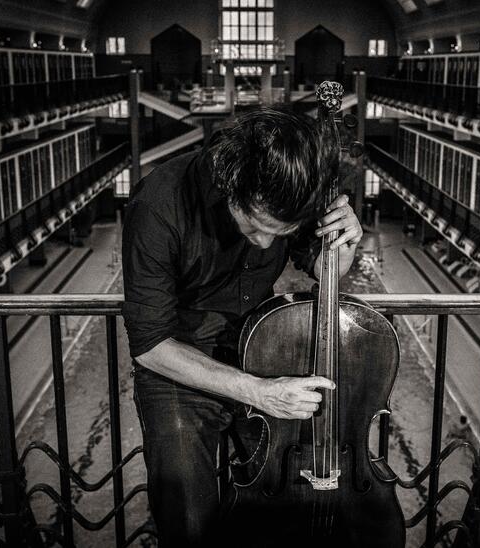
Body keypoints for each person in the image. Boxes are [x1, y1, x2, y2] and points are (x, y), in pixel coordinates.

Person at [121, 107, 362, 546]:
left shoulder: (292, 188)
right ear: (231, 184)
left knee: (291, 493)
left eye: (281, 231)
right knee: (188, 518)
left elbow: (321, 268)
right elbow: (150, 343)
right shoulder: (158, 204)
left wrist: (341, 245)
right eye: (255, 228)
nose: (268, 243)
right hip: (180, 360)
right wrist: (257, 392)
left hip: (260, 345)